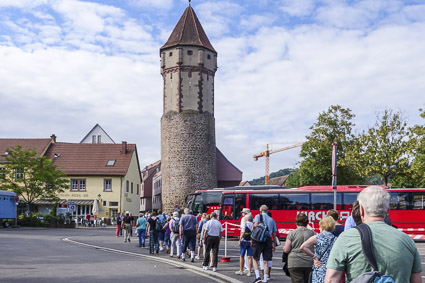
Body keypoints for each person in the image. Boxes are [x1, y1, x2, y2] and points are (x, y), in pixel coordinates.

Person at [325, 186, 423, 282]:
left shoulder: (346, 238)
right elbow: (417, 280)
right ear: (388, 210)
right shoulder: (407, 240)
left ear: (361, 210)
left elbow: (331, 279)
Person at [301, 216, 336, 283]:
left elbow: (303, 247)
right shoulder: (336, 238)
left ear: (322, 227)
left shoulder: (317, 237)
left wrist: (314, 257)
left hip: (319, 267)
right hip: (331, 269)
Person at [283, 213, 316, 283]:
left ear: (296, 222)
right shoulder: (313, 233)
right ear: (307, 222)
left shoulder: (292, 234)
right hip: (309, 262)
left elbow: (286, 249)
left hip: (294, 262)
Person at [252, 205, 277, 283]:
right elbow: (274, 234)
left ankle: (258, 277)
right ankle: (265, 279)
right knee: (266, 260)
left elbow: (255, 225)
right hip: (268, 240)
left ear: (260, 210)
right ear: (267, 210)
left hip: (259, 240)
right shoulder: (271, 220)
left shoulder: (257, 216)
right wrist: (274, 244)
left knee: (255, 258)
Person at [235, 213, 254, 277]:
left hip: (244, 241)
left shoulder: (244, 224)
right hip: (250, 241)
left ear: (246, 218)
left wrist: (239, 240)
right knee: (250, 257)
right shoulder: (253, 225)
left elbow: (243, 232)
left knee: (242, 256)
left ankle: (241, 270)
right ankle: (249, 271)